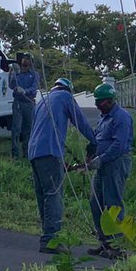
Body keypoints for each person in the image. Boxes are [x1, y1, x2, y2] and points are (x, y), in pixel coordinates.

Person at [28, 77, 96, 253]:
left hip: (34, 153)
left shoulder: (42, 101)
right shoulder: (65, 97)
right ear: (68, 89)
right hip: (50, 152)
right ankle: (51, 239)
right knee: (54, 195)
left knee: (43, 196)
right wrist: (94, 141)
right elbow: (80, 121)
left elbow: (40, 129)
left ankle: (46, 236)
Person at [86, 79, 134, 257]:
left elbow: (119, 145)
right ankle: (104, 242)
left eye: (101, 102)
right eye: (96, 102)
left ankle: (116, 246)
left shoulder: (121, 117)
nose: (98, 105)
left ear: (110, 101)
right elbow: (98, 138)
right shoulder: (103, 118)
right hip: (101, 164)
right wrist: (91, 154)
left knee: (113, 203)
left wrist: (102, 158)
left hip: (116, 163)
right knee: (96, 202)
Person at [9, 53, 39, 158]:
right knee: (16, 129)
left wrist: (25, 91)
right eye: (24, 59)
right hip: (18, 102)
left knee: (28, 130)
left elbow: (34, 88)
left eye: (28, 59)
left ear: (31, 63)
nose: (25, 61)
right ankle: (15, 154)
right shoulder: (17, 73)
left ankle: (27, 153)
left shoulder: (34, 74)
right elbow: (11, 86)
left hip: (29, 103)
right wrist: (11, 74)